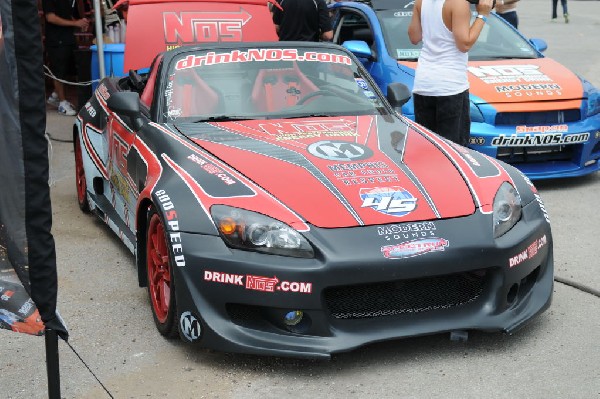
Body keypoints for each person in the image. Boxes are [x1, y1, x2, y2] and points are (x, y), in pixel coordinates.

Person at [408, 0, 494, 147]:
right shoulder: (458, 3)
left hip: (424, 84)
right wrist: (482, 16)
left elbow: (414, 37)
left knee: (428, 148)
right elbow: (464, 44)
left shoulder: (421, 2)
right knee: (454, 151)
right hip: (450, 85)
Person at [42, 0, 89, 116]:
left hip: (68, 37)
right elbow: (50, 17)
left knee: (69, 68)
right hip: (56, 39)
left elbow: (67, 16)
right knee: (59, 71)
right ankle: (62, 103)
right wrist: (75, 23)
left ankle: (56, 95)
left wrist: (80, 22)